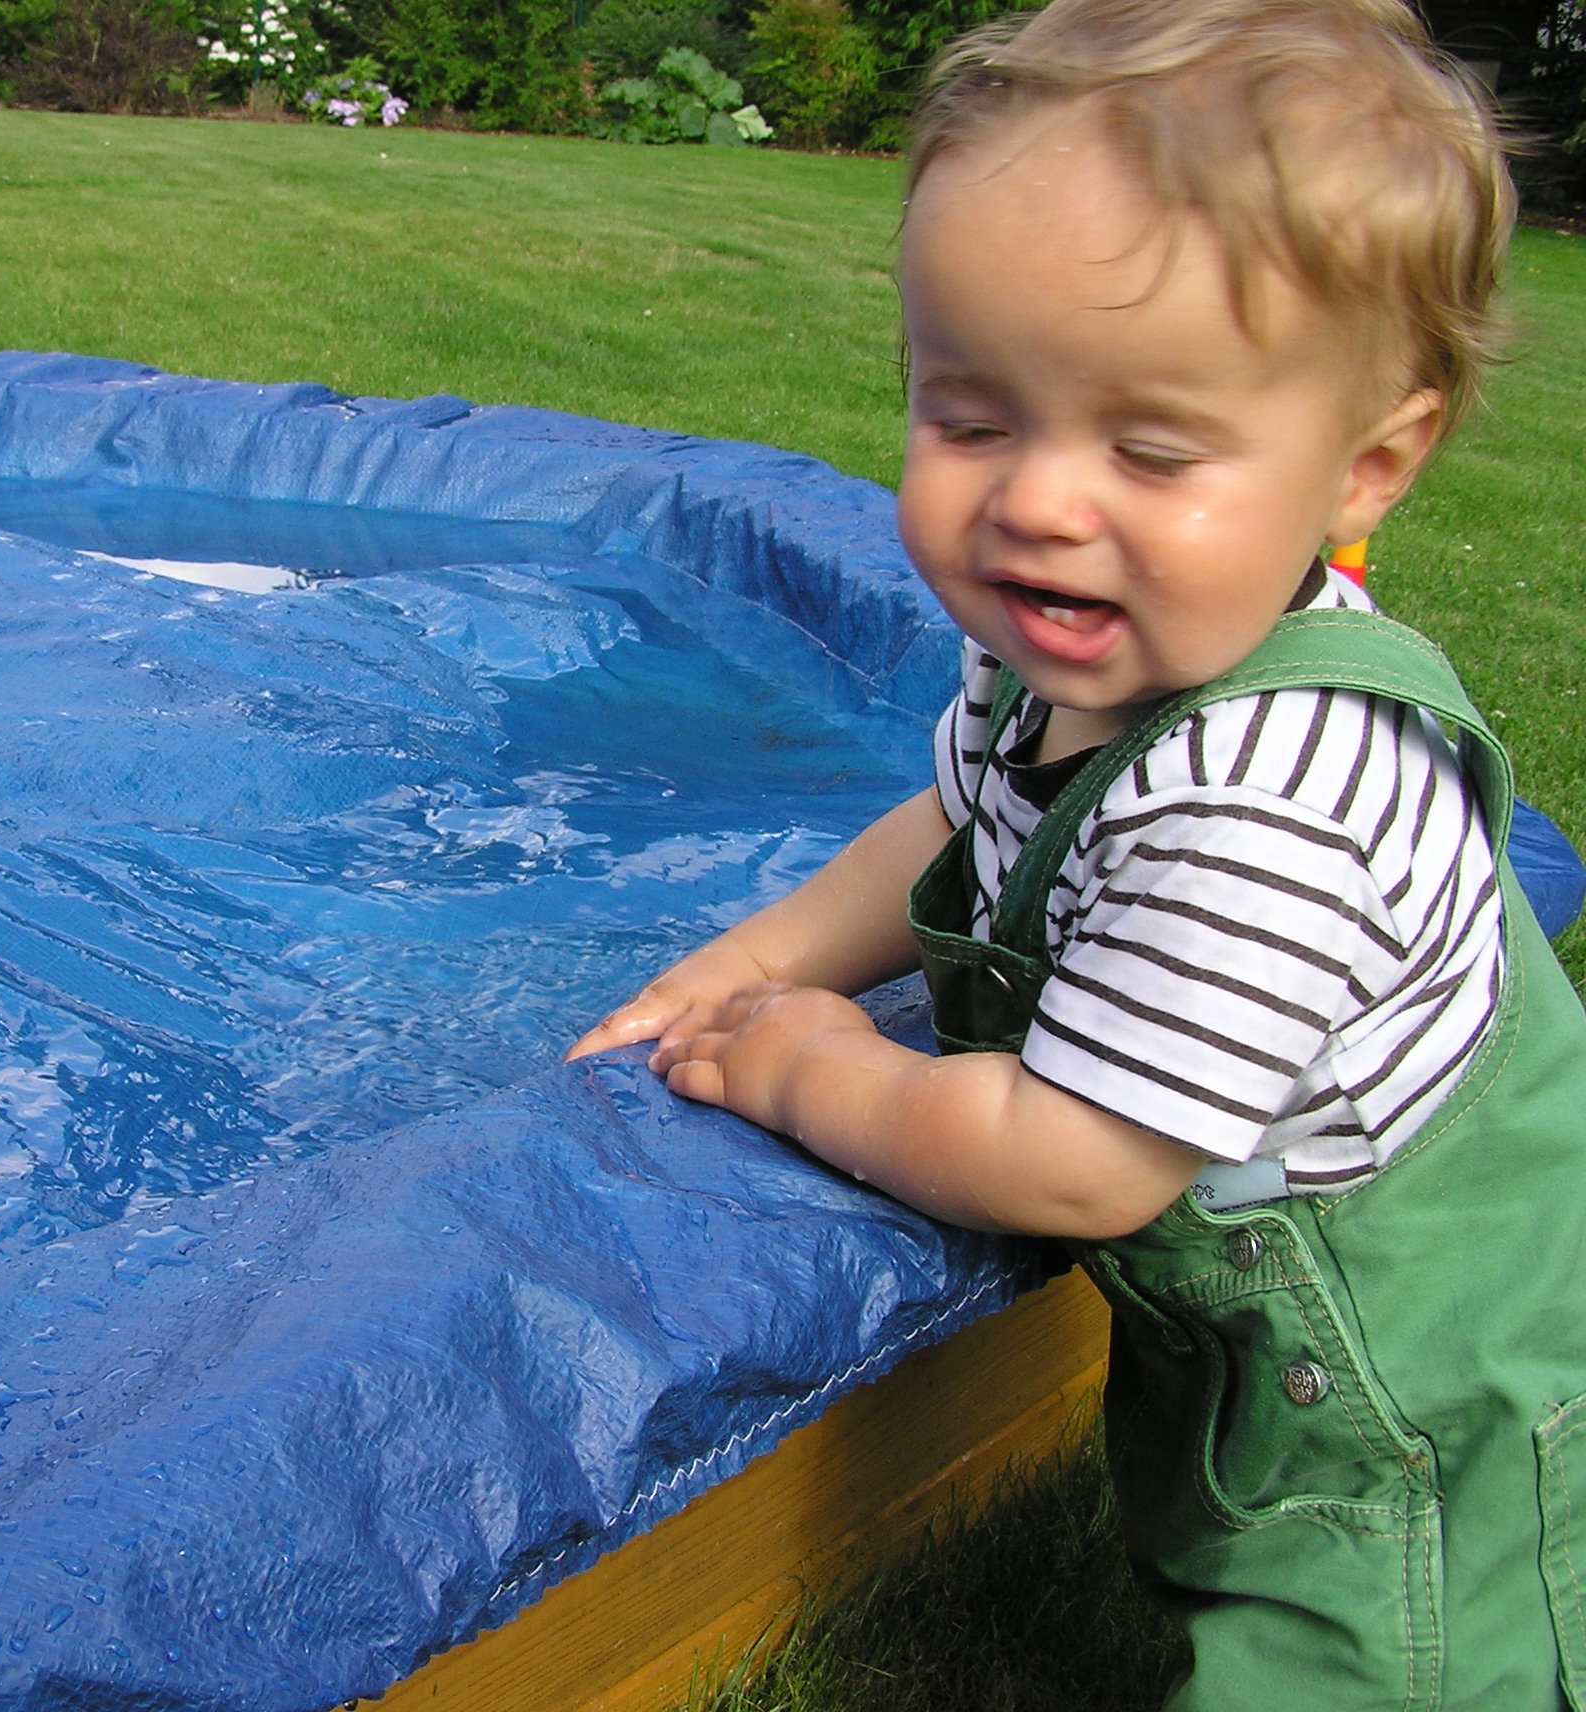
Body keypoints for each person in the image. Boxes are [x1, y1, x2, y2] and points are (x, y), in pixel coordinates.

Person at [568, 1, 1586, 1705]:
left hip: (1430, 1408)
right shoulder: (1078, 650)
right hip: (1293, 1347)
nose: (1038, 503)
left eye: (1149, 450)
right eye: (971, 420)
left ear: (1369, 465)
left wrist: (819, 1070)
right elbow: (962, 822)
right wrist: (756, 960)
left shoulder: (1266, 803)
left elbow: (1081, 1163)